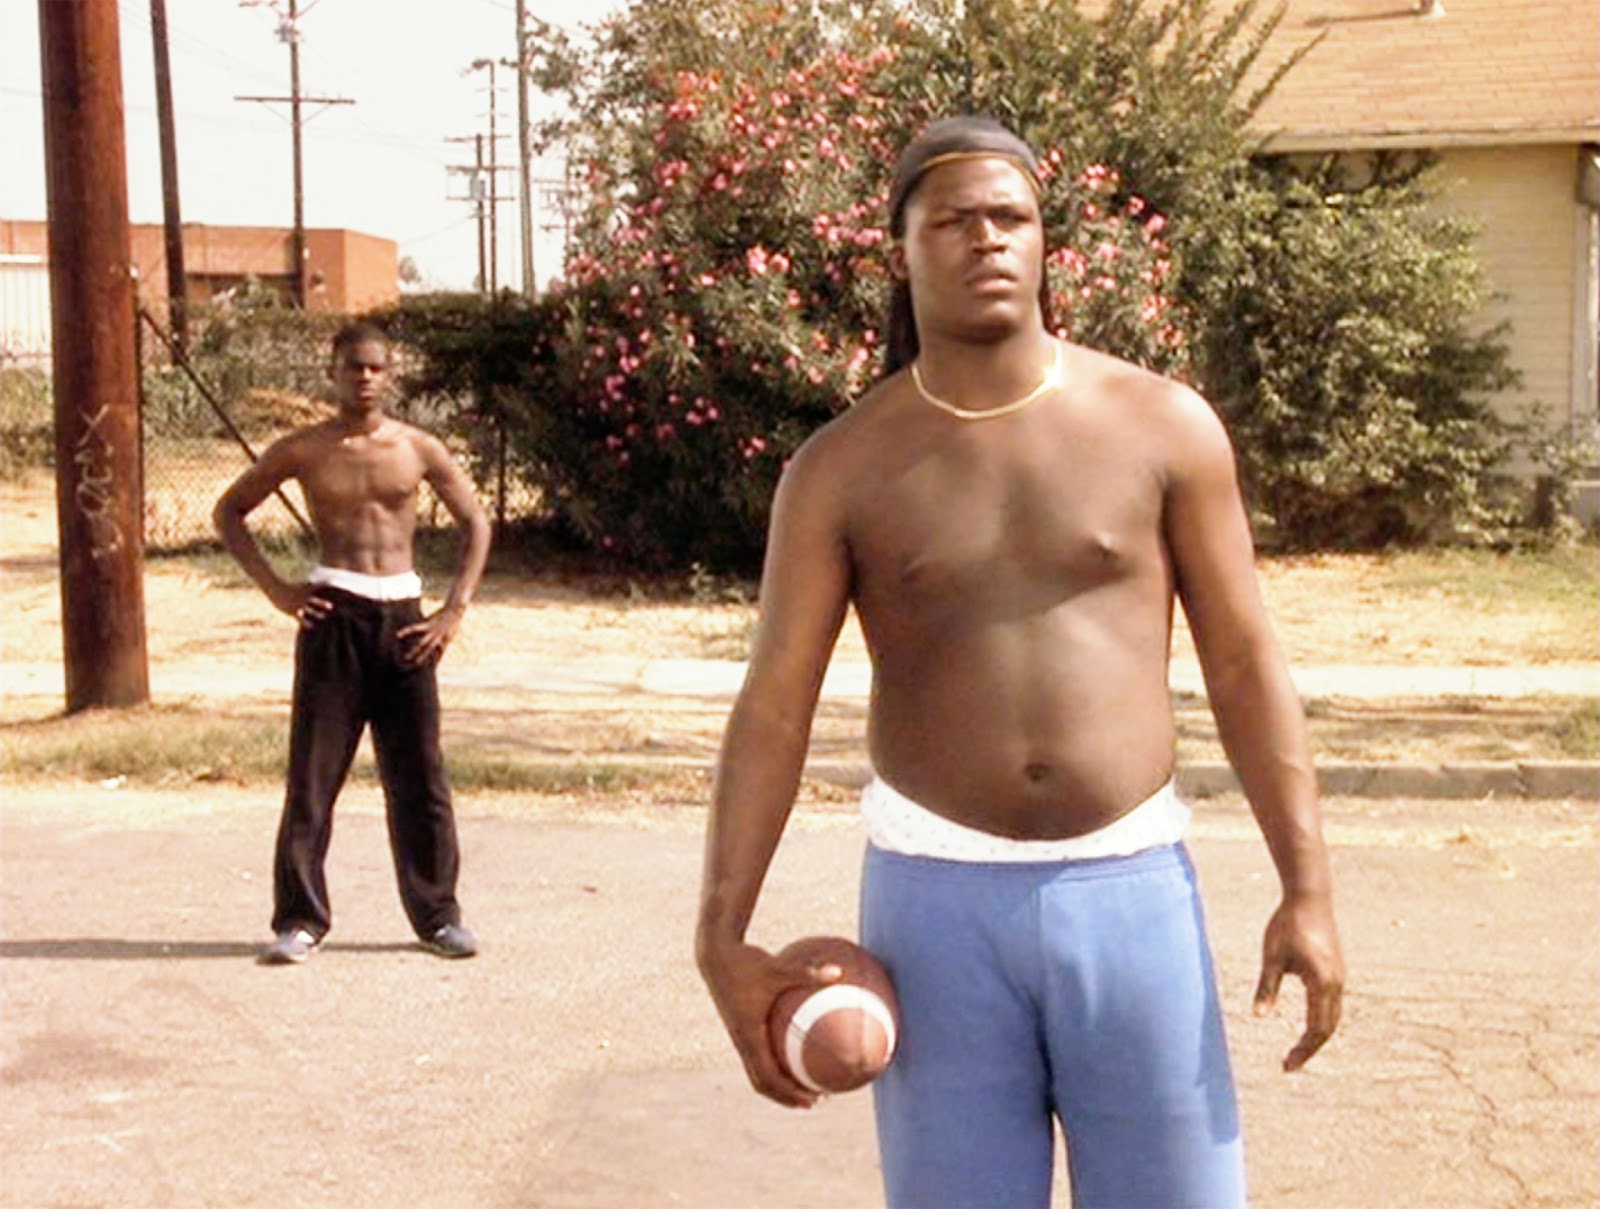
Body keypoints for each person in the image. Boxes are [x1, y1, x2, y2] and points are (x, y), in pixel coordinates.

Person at [695, 117, 1345, 1207]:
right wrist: (721, 935)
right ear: (899, 249)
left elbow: (1242, 663)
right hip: (934, 903)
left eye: (1011, 217)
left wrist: (1308, 887)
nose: (985, 239)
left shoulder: (1161, 426)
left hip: (1130, 890)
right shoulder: (839, 470)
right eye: (951, 220)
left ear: (1046, 242)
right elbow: (773, 706)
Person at [214, 321, 491, 966]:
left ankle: (438, 916)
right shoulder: (304, 449)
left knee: (419, 776)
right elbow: (230, 510)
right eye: (352, 368)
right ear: (333, 374)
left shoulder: (418, 449)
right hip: (332, 617)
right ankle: (301, 920)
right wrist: (277, 590)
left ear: (389, 375)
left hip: (404, 621)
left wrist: (453, 610)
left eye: (375, 368)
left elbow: (475, 522)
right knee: (313, 775)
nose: (364, 379)